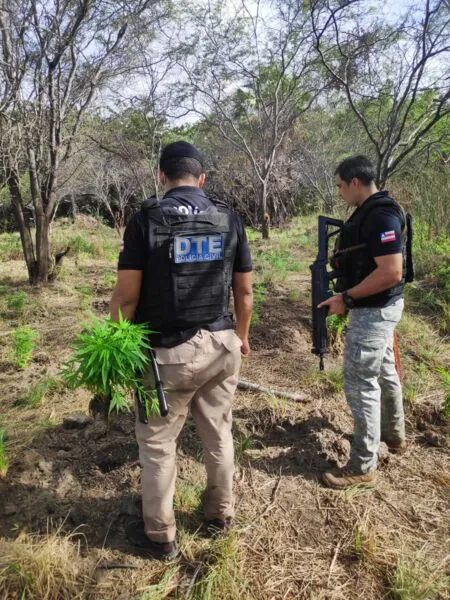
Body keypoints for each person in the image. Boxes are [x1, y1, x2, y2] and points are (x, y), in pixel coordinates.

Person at [109, 141, 253, 560]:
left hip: (167, 355)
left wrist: (118, 348)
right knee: (219, 433)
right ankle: (219, 516)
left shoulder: (146, 220)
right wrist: (241, 337)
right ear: (202, 179)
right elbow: (243, 289)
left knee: (156, 444)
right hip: (222, 345)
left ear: (161, 176)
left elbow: (125, 299)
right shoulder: (228, 217)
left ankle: (160, 537)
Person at [318, 155, 407, 490]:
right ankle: (392, 435)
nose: (339, 193)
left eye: (341, 186)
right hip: (380, 308)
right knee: (384, 372)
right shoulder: (371, 212)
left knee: (361, 383)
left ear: (355, 181)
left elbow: (391, 271)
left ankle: (362, 466)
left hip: (373, 311)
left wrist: (347, 299)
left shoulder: (381, 214)